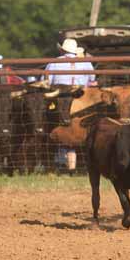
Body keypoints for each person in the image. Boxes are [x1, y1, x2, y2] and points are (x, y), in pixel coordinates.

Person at [44, 38, 96, 172]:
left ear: (61, 50)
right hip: (82, 101)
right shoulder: (86, 63)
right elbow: (92, 81)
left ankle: (61, 163)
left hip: (61, 100)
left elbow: (46, 83)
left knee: (58, 128)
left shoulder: (54, 63)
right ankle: (79, 166)